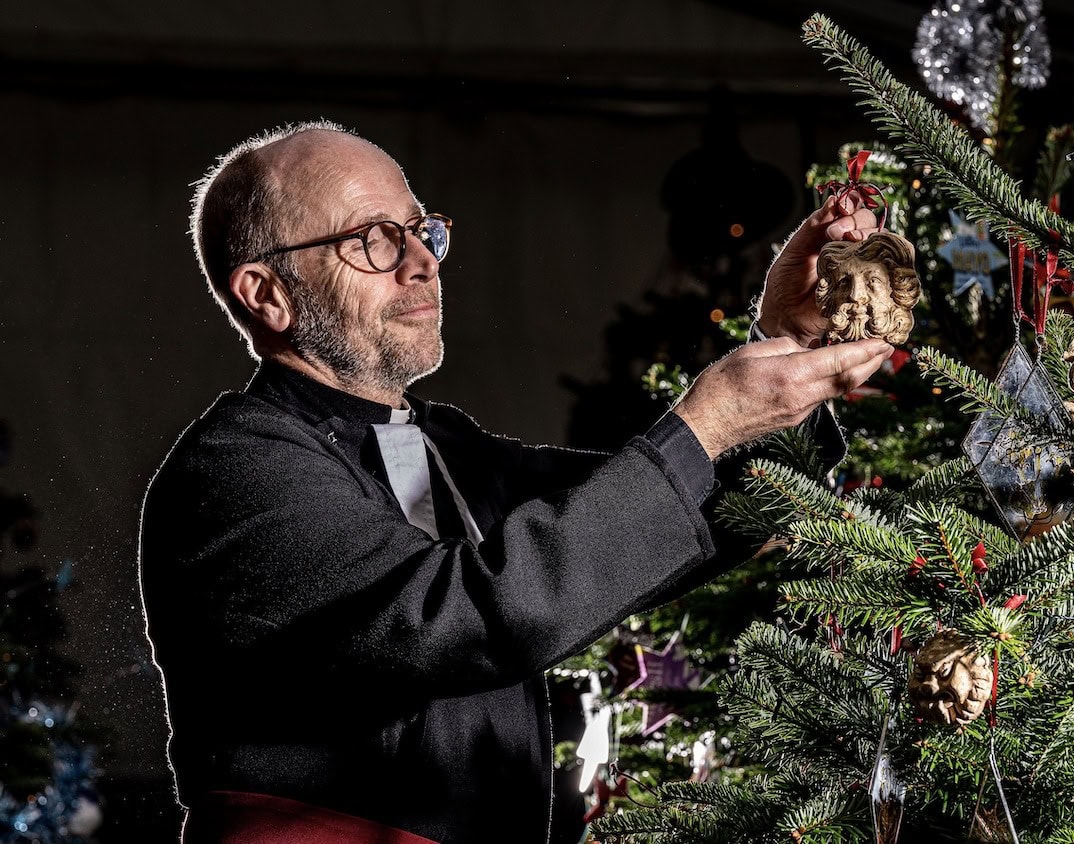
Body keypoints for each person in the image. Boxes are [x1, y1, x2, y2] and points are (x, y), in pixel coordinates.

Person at [139, 120, 892, 844]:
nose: (423, 262)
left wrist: (788, 342)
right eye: (373, 239)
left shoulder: (447, 449)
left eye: (421, 230)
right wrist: (707, 421)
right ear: (268, 294)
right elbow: (470, 615)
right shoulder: (235, 469)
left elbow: (689, 521)